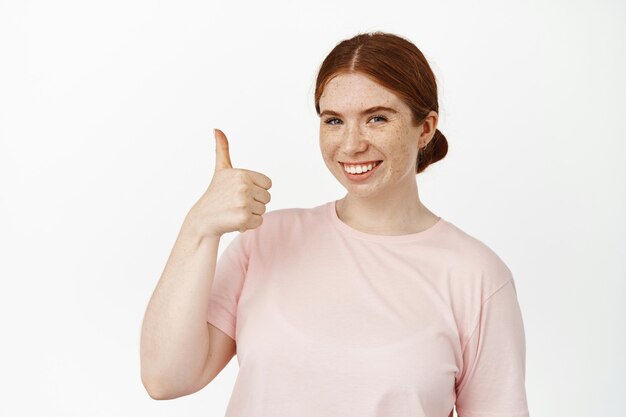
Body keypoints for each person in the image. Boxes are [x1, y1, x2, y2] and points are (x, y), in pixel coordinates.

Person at [140, 31, 530, 417]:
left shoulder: (476, 276)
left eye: (377, 118)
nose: (350, 144)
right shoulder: (266, 241)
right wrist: (199, 227)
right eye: (334, 121)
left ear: (425, 128)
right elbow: (166, 379)